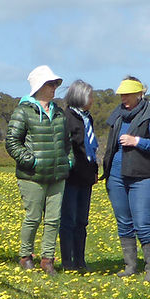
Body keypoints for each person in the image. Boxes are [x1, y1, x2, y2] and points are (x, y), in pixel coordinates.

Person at [101, 76, 150, 282]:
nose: (124, 98)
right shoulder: (118, 115)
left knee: (143, 223)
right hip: (116, 177)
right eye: (122, 94)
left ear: (140, 94)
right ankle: (130, 266)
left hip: (142, 178)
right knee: (124, 222)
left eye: (128, 94)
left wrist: (137, 141)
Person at [5, 66, 71, 275]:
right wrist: (31, 161)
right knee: (33, 217)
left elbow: (67, 143)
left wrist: (68, 161)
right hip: (32, 176)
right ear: (40, 86)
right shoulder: (23, 111)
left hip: (57, 174)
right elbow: (12, 142)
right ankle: (26, 257)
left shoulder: (59, 113)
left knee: (53, 219)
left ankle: (48, 260)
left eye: (54, 84)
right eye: (50, 84)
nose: (54, 88)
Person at [59, 80, 99, 273]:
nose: (92, 100)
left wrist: (94, 171)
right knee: (68, 220)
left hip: (86, 177)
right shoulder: (67, 117)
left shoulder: (87, 118)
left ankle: (80, 260)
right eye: (90, 96)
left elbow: (90, 147)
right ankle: (67, 261)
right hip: (70, 177)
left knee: (82, 221)